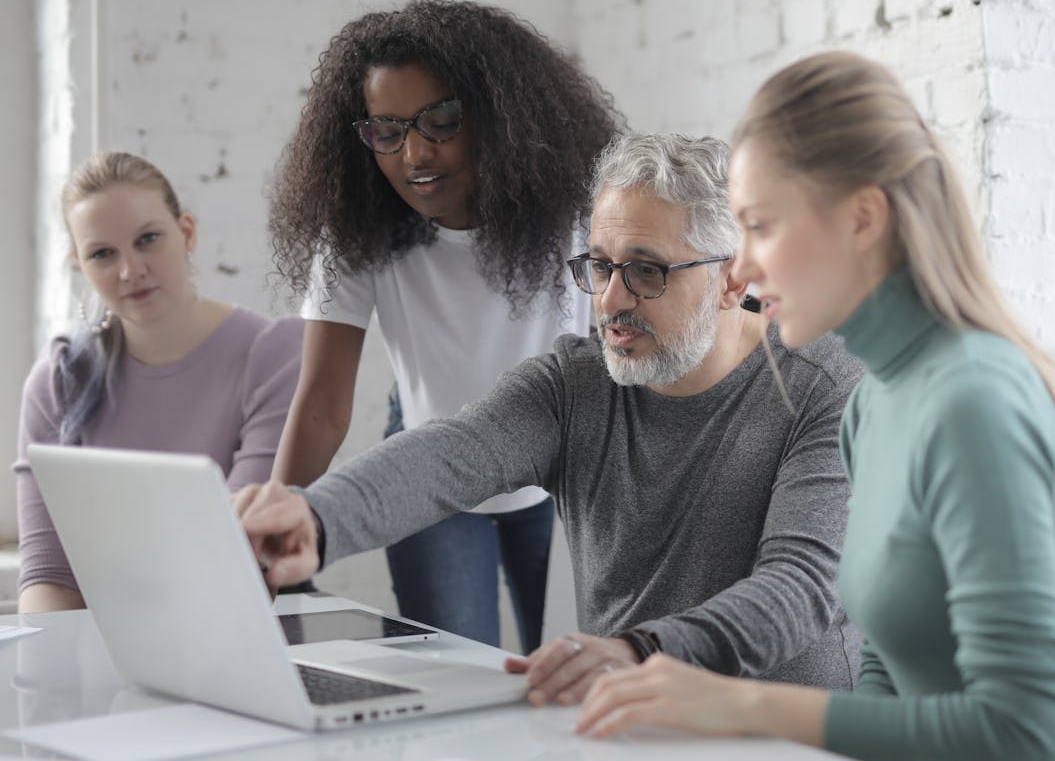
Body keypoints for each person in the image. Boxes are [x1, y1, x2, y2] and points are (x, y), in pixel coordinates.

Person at [574, 53, 1055, 760]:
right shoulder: (871, 401)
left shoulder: (972, 401)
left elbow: (1026, 734)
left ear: (862, 218)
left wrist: (742, 703)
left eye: (761, 225)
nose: (743, 267)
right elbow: (888, 665)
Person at [240, 133, 863, 706]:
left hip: (786, 732)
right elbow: (451, 453)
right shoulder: (576, 385)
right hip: (632, 724)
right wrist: (315, 517)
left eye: (647, 271)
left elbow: (801, 587)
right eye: (599, 266)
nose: (611, 302)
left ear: (731, 278)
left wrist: (640, 653)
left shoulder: (824, 387)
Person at [267, 0, 621, 653]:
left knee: (578, 678)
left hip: (566, 475)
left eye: (442, 121)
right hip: (430, 477)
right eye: (388, 130)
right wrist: (269, 528)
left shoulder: (575, 205)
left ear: (498, 115)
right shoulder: (355, 232)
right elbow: (320, 403)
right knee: (457, 677)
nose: (415, 153)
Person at [13, 151, 303, 614]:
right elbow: (49, 573)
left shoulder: (272, 355)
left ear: (186, 233)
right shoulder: (59, 376)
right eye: (102, 254)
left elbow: (238, 552)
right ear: (79, 263)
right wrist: (55, 675)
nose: (130, 271)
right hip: (99, 643)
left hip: (233, 631)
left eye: (148, 239)